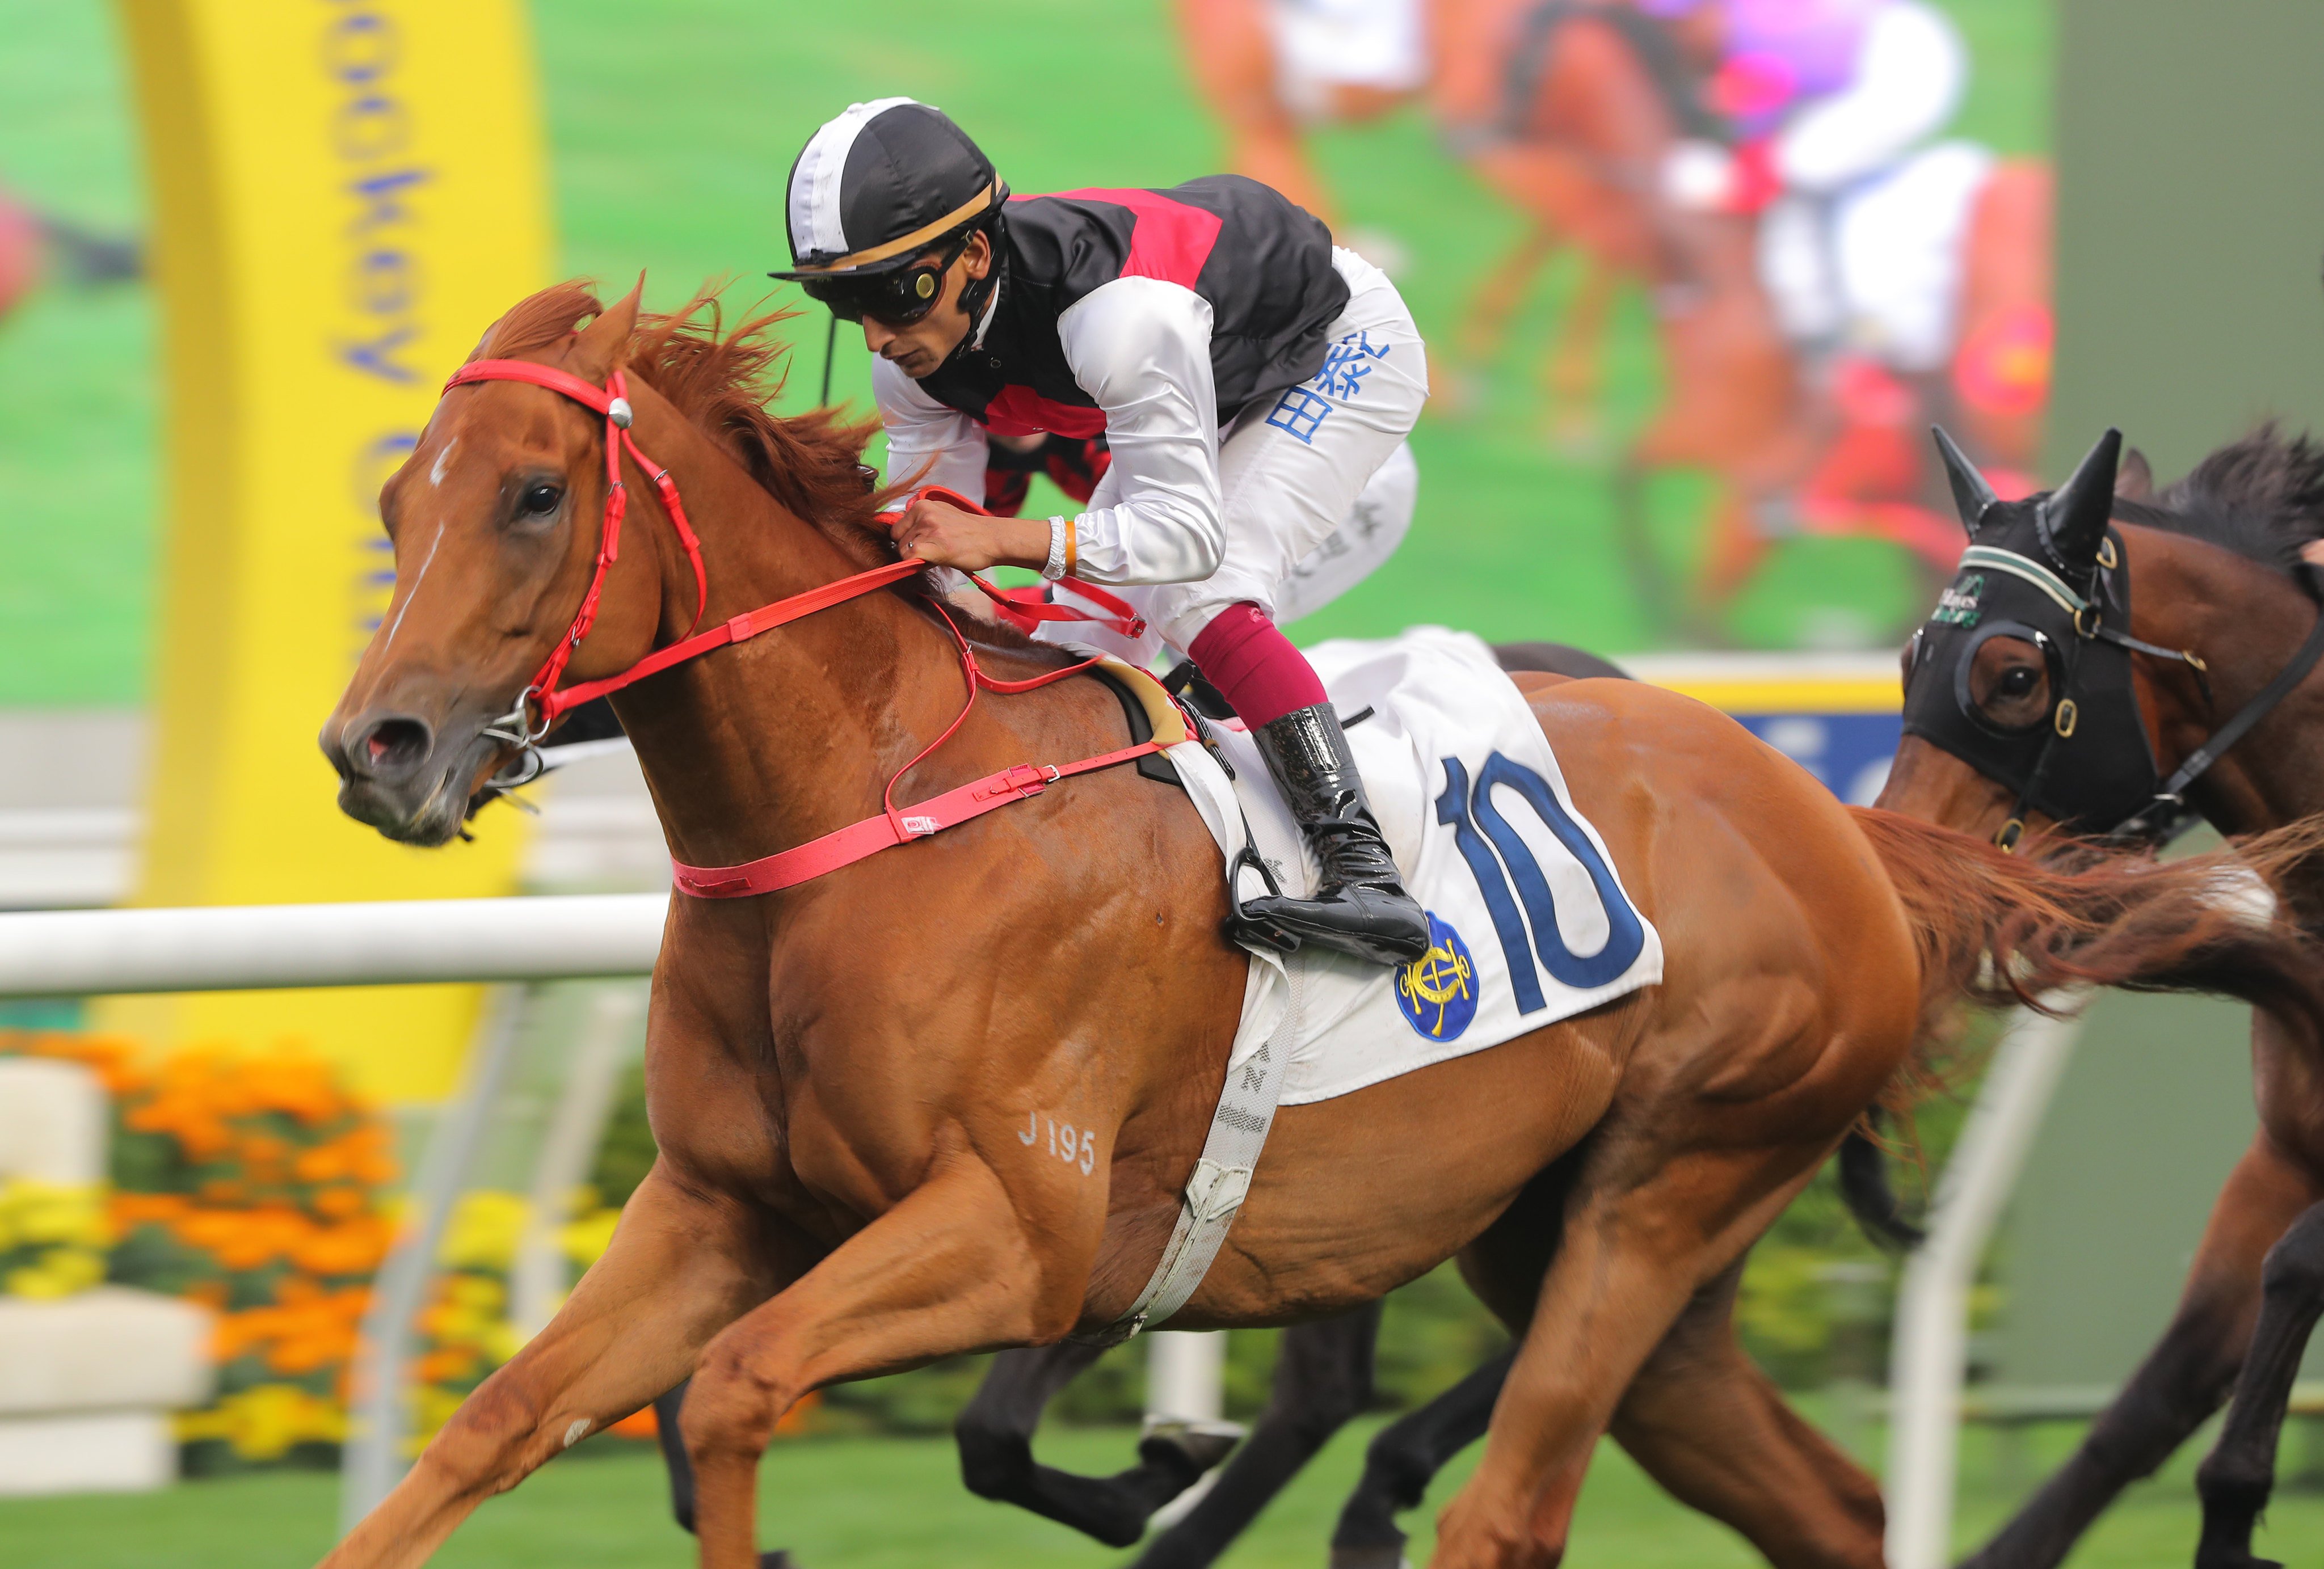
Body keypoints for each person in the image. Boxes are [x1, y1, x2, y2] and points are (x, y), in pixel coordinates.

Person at [769, 98, 1432, 966]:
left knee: (1203, 588)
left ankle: (1365, 871)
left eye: (895, 293)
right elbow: (935, 550)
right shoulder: (912, 356)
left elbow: (1183, 537)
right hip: (1211, 365)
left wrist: (1008, 543)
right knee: (1076, 637)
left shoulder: (1117, 318)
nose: (879, 335)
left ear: (973, 253)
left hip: (1334, 344)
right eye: (843, 300)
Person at [1651, 0, 1983, 374]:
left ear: (1710, 12)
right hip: (1893, 47)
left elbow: (1755, 173)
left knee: (1800, 164)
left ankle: (1866, 339)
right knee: (1806, 171)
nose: (1676, 41)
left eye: (1678, 27)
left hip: (1903, 69)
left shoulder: (1750, 42)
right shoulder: (1745, 27)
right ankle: (1846, 325)